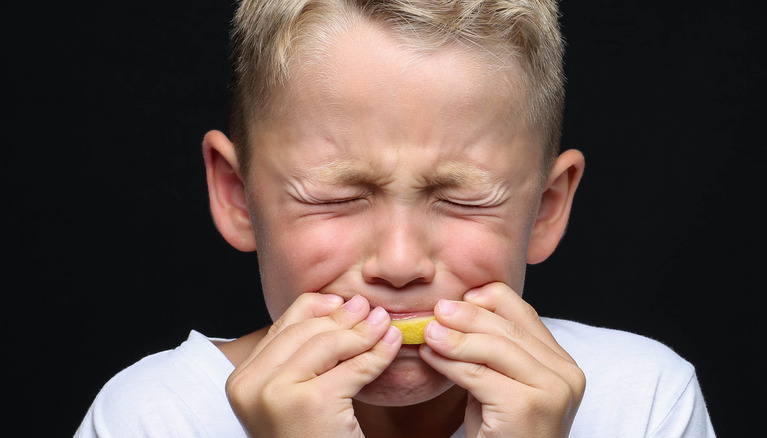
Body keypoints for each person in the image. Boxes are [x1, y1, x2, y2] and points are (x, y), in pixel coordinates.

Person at [75, 0, 715, 436]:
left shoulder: (644, 400)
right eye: (335, 196)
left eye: (462, 198)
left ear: (547, 208)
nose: (402, 263)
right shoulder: (152, 417)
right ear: (238, 195)